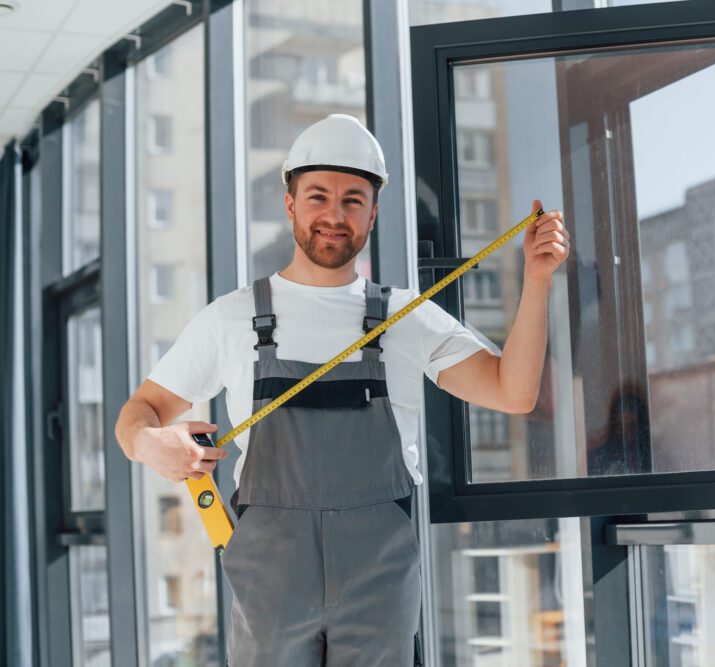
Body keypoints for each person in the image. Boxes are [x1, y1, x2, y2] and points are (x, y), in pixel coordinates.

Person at [113, 114, 570, 666]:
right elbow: (139, 412)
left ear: (373, 213)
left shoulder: (406, 317)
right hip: (270, 573)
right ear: (290, 204)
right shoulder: (230, 318)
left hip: (379, 569)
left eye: (353, 200)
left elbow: (513, 392)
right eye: (318, 196)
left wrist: (539, 279)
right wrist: (149, 444)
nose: (334, 215)